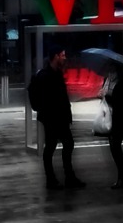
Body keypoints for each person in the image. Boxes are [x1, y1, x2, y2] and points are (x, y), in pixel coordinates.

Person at [29, 46, 85, 190]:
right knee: (55, 146)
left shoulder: (56, 73)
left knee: (60, 145)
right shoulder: (46, 76)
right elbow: (49, 99)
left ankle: (61, 178)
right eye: (62, 55)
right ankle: (57, 178)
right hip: (53, 118)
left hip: (58, 117)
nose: (65, 58)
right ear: (56, 56)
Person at [103, 67, 123, 189]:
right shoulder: (107, 79)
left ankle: (121, 176)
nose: (110, 72)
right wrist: (102, 95)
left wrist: (106, 96)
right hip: (110, 116)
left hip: (120, 117)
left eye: (112, 69)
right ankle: (121, 172)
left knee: (115, 145)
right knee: (113, 146)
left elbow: (120, 100)